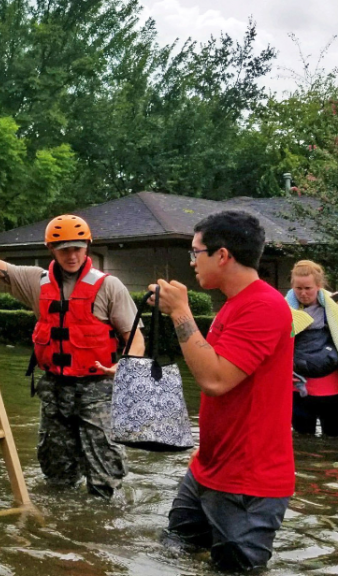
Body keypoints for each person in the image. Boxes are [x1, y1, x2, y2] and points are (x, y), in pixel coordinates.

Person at [0, 184, 144, 499]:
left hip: (98, 392)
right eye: (64, 248)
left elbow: (136, 338)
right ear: (52, 249)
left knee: (105, 479)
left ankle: (103, 532)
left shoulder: (110, 287)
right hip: (55, 392)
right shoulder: (35, 281)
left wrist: (126, 365)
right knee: (56, 478)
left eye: (78, 247)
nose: (72, 255)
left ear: (87, 247)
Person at [152, 210, 293, 572]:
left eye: (195, 252)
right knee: (173, 552)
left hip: (249, 483)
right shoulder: (235, 304)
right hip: (208, 469)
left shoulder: (264, 306)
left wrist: (181, 312)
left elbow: (215, 380)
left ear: (223, 255)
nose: (192, 262)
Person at [286, 259, 338, 436]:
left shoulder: (333, 311)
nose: (303, 293)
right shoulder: (283, 311)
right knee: (302, 440)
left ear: (318, 286)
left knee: (332, 441)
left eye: (308, 288)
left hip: (331, 388)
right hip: (297, 388)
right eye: (298, 289)